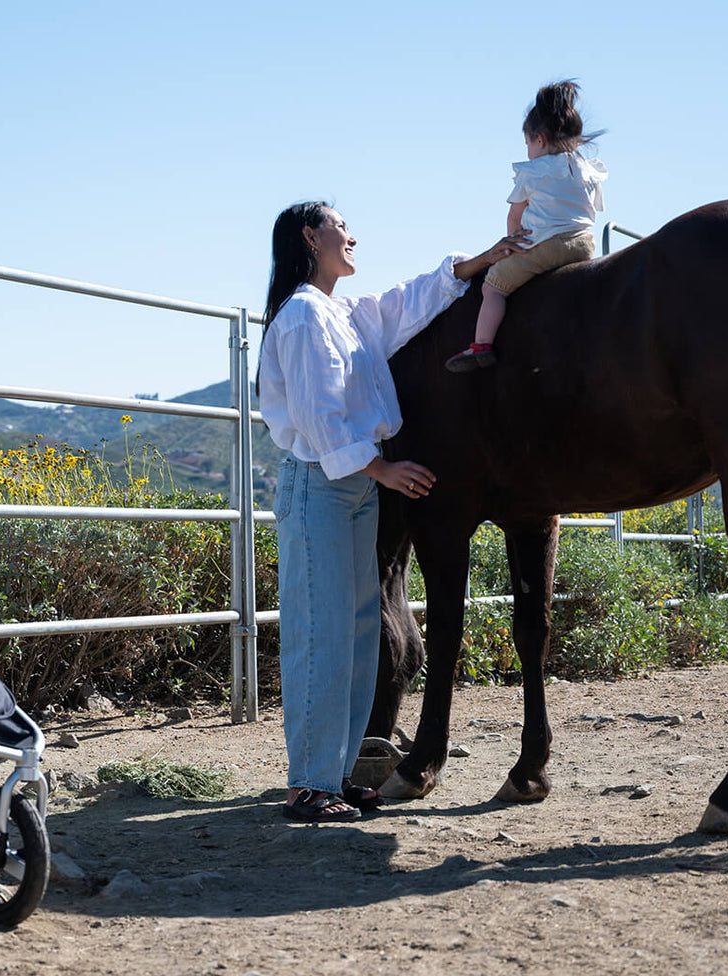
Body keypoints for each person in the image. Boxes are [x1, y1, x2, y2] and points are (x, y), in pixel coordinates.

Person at [258, 201, 528, 822]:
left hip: (351, 486)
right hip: (324, 483)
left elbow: (404, 303)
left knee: (355, 635)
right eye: (340, 225)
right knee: (321, 632)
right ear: (310, 235)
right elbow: (322, 419)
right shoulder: (302, 317)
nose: (352, 235)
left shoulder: (342, 313)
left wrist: (478, 264)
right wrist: (384, 470)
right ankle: (307, 786)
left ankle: (337, 773)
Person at [446, 80, 607, 373]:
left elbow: (514, 218)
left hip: (545, 245)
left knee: (493, 286)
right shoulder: (586, 169)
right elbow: (592, 209)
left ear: (539, 140)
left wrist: (512, 244)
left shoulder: (531, 171)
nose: (528, 150)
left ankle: (481, 345)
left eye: (528, 144)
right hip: (584, 244)